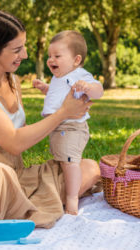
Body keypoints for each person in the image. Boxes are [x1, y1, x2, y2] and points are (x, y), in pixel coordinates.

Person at [0, 11, 100, 229]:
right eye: (17, 50)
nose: (24, 55)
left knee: (89, 168)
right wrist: (63, 112)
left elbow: (23, 135)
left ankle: (22, 204)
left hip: (17, 176)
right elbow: (15, 143)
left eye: (24, 47)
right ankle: (26, 204)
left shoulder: (14, 82)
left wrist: (65, 118)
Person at [32, 30, 104, 215]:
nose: (50, 59)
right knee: (63, 162)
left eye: (57, 55)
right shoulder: (59, 78)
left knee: (70, 163)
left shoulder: (78, 75)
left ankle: (72, 200)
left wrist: (88, 87)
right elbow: (59, 97)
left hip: (71, 128)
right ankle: (85, 186)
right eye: (49, 56)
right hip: (58, 128)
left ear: (76, 60)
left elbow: (99, 90)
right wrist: (46, 89)